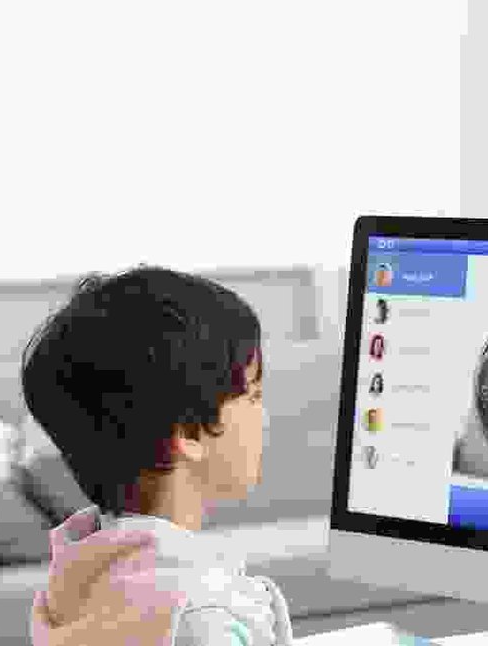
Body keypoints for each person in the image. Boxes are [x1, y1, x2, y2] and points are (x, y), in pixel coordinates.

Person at [20, 266, 294, 646]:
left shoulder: (80, 580)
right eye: (253, 396)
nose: (264, 417)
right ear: (189, 432)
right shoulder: (201, 619)